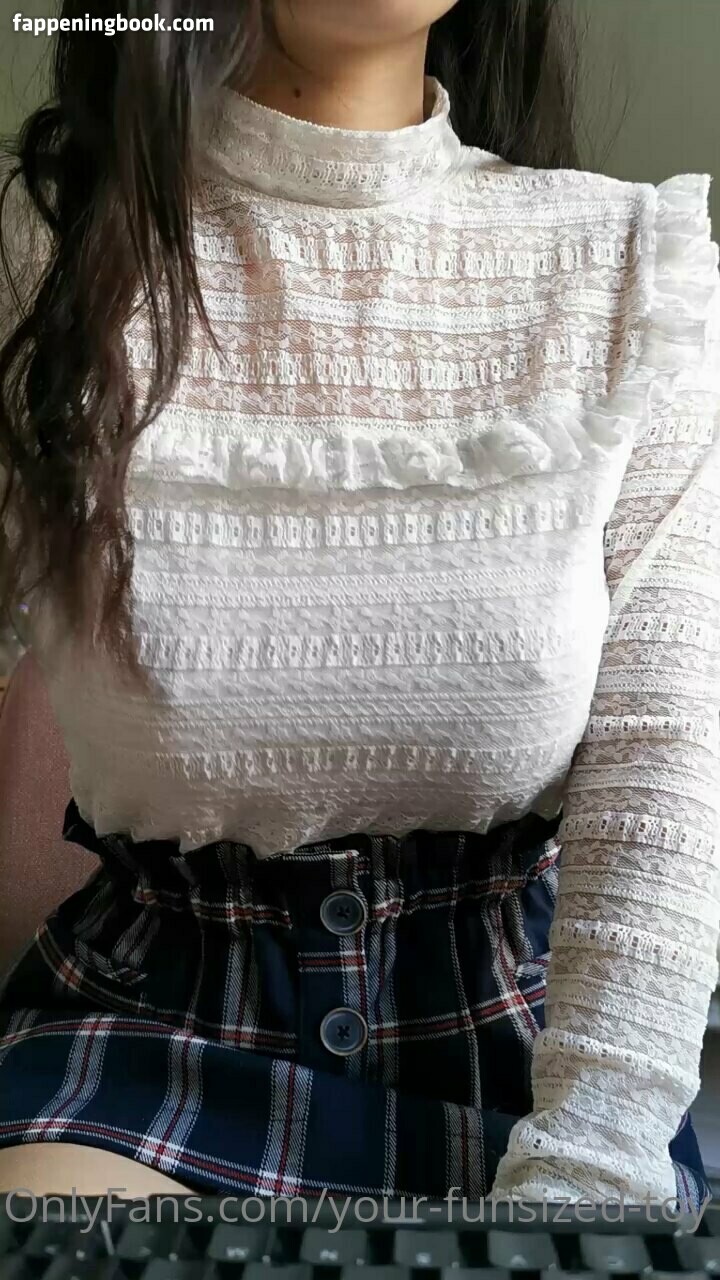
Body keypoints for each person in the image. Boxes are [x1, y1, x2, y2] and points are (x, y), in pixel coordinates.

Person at [0, 0, 718, 1211]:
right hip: (146, 1046)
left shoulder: (635, 267)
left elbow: (665, 766)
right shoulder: (48, 254)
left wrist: (587, 1174)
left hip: (534, 1056)